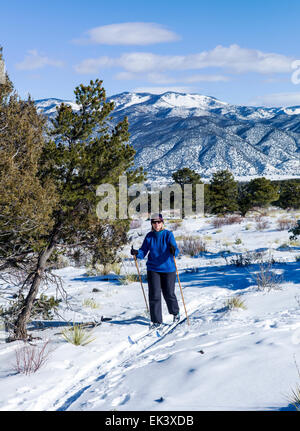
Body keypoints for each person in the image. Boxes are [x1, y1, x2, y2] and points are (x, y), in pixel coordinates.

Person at [131, 213, 180, 329]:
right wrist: (137, 253)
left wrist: (173, 250)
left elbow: (176, 251)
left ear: (162, 223)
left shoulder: (168, 235)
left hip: (168, 268)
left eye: (158, 222)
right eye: (154, 222)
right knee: (154, 295)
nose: (156, 224)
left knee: (169, 293)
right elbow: (143, 251)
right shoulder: (149, 236)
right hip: (153, 269)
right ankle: (156, 321)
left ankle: (175, 313)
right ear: (151, 224)